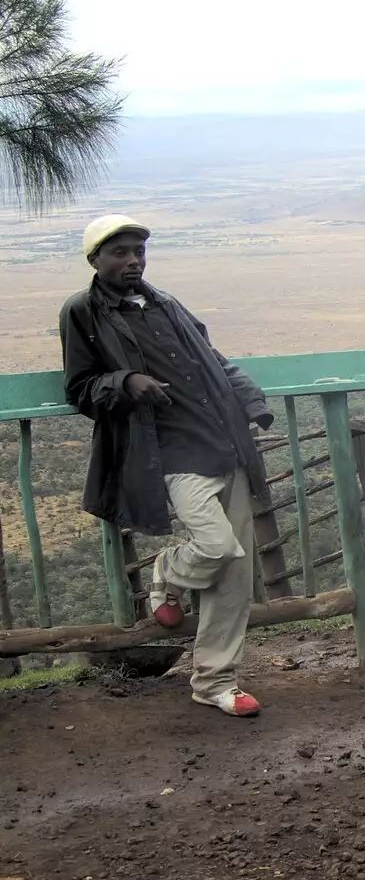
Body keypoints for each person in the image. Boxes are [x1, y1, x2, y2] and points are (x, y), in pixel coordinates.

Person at [60, 214, 274, 717]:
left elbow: (215, 361)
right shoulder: (83, 311)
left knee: (236, 574)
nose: (133, 260)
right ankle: (168, 573)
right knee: (218, 547)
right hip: (173, 453)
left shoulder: (165, 303)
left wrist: (252, 401)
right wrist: (126, 381)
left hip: (227, 446)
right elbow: (79, 388)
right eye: (119, 253)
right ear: (95, 260)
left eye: (138, 251)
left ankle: (216, 682)